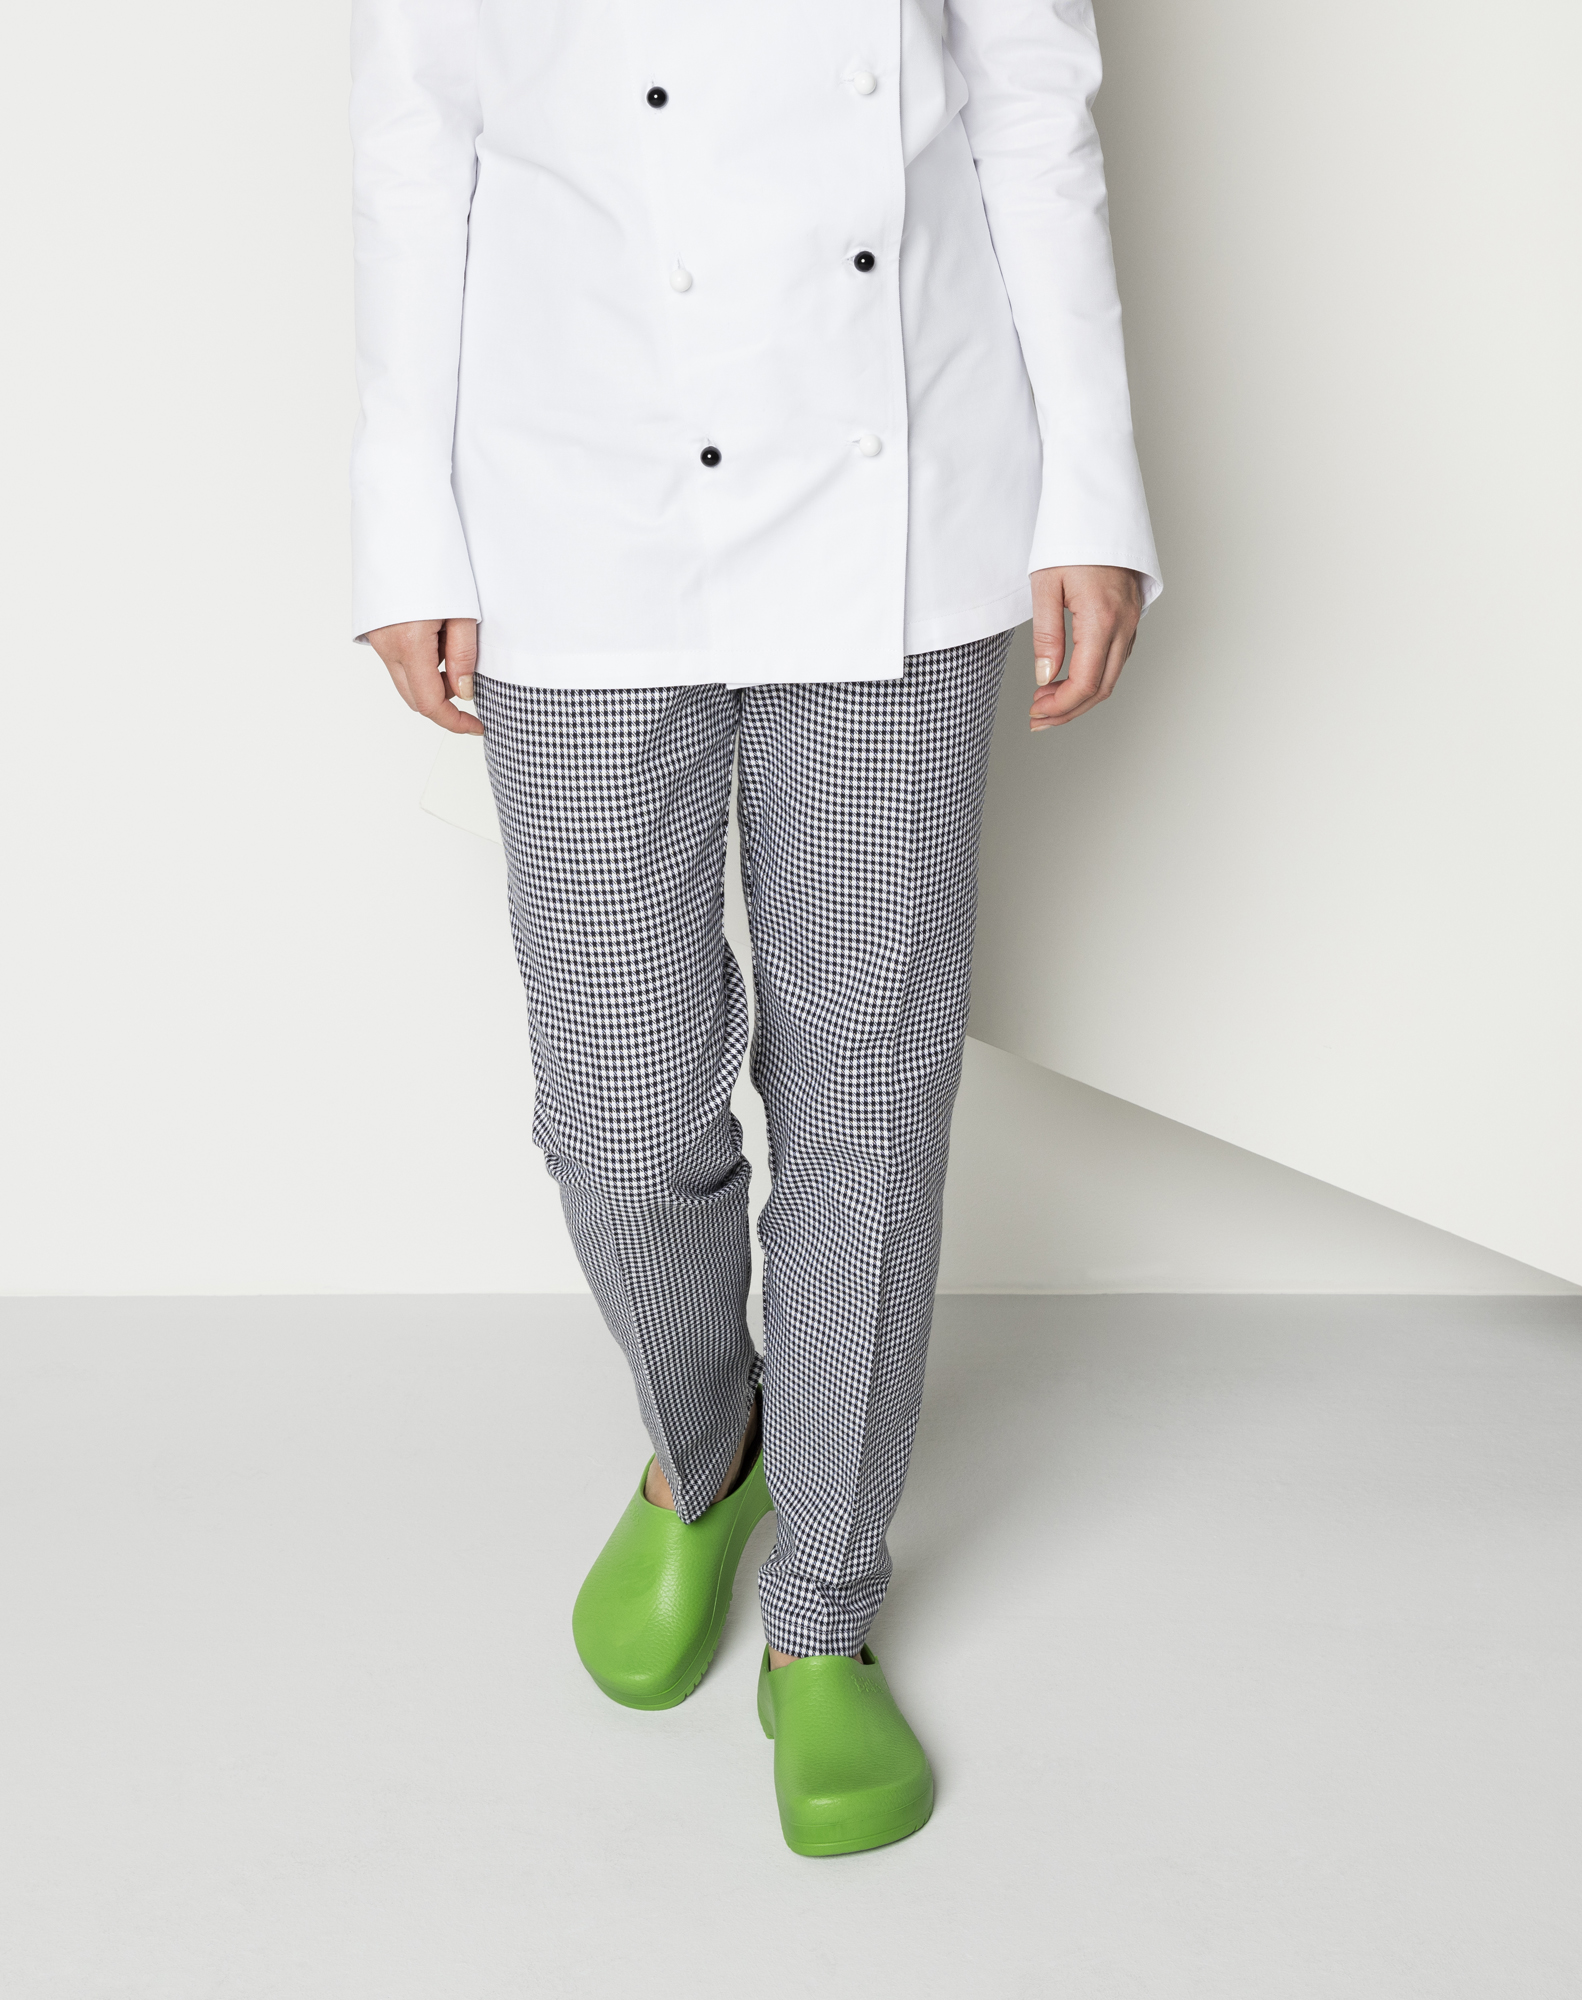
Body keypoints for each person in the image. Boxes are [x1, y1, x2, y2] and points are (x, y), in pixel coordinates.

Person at [352, 0, 1160, 1857]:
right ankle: (705, 1453)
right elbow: (411, 146)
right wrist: (405, 524)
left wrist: (1090, 490)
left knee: (866, 1100)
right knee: (620, 1110)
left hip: (907, 507)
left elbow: (1034, 109)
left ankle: (825, 1605)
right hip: (569, 512)